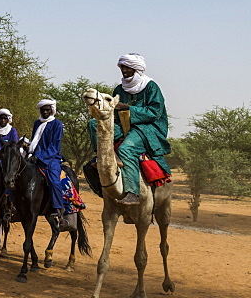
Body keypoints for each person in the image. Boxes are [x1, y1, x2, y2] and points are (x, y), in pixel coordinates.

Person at [89, 53, 171, 205]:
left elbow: (154, 113)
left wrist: (127, 108)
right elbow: (113, 113)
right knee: (94, 124)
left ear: (136, 69)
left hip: (147, 128)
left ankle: (133, 193)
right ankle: (101, 156)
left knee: (126, 149)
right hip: (123, 124)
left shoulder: (151, 87)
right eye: (122, 67)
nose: (124, 70)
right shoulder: (120, 89)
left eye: (127, 67)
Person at [25, 99, 72, 229]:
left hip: (51, 158)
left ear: (52, 110)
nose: (45, 112)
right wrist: (28, 147)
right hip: (34, 157)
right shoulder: (36, 123)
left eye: (47, 110)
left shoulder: (57, 124)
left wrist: (39, 156)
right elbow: (35, 141)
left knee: (53, 180)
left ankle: (58, 209)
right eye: (43, 110)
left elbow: (54, 147)